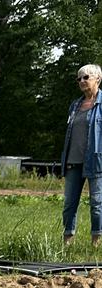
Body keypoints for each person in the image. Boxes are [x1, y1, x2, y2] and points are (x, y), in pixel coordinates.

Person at [61, 63, 102, 248]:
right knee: (69, 204)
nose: (82, 81)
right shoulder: (75, 105)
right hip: (73, 161)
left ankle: (96, 242)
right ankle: (67, 242)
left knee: (97, 204)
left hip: (96, 162)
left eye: (86, 77)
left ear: (98, 79)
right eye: (79, 78)